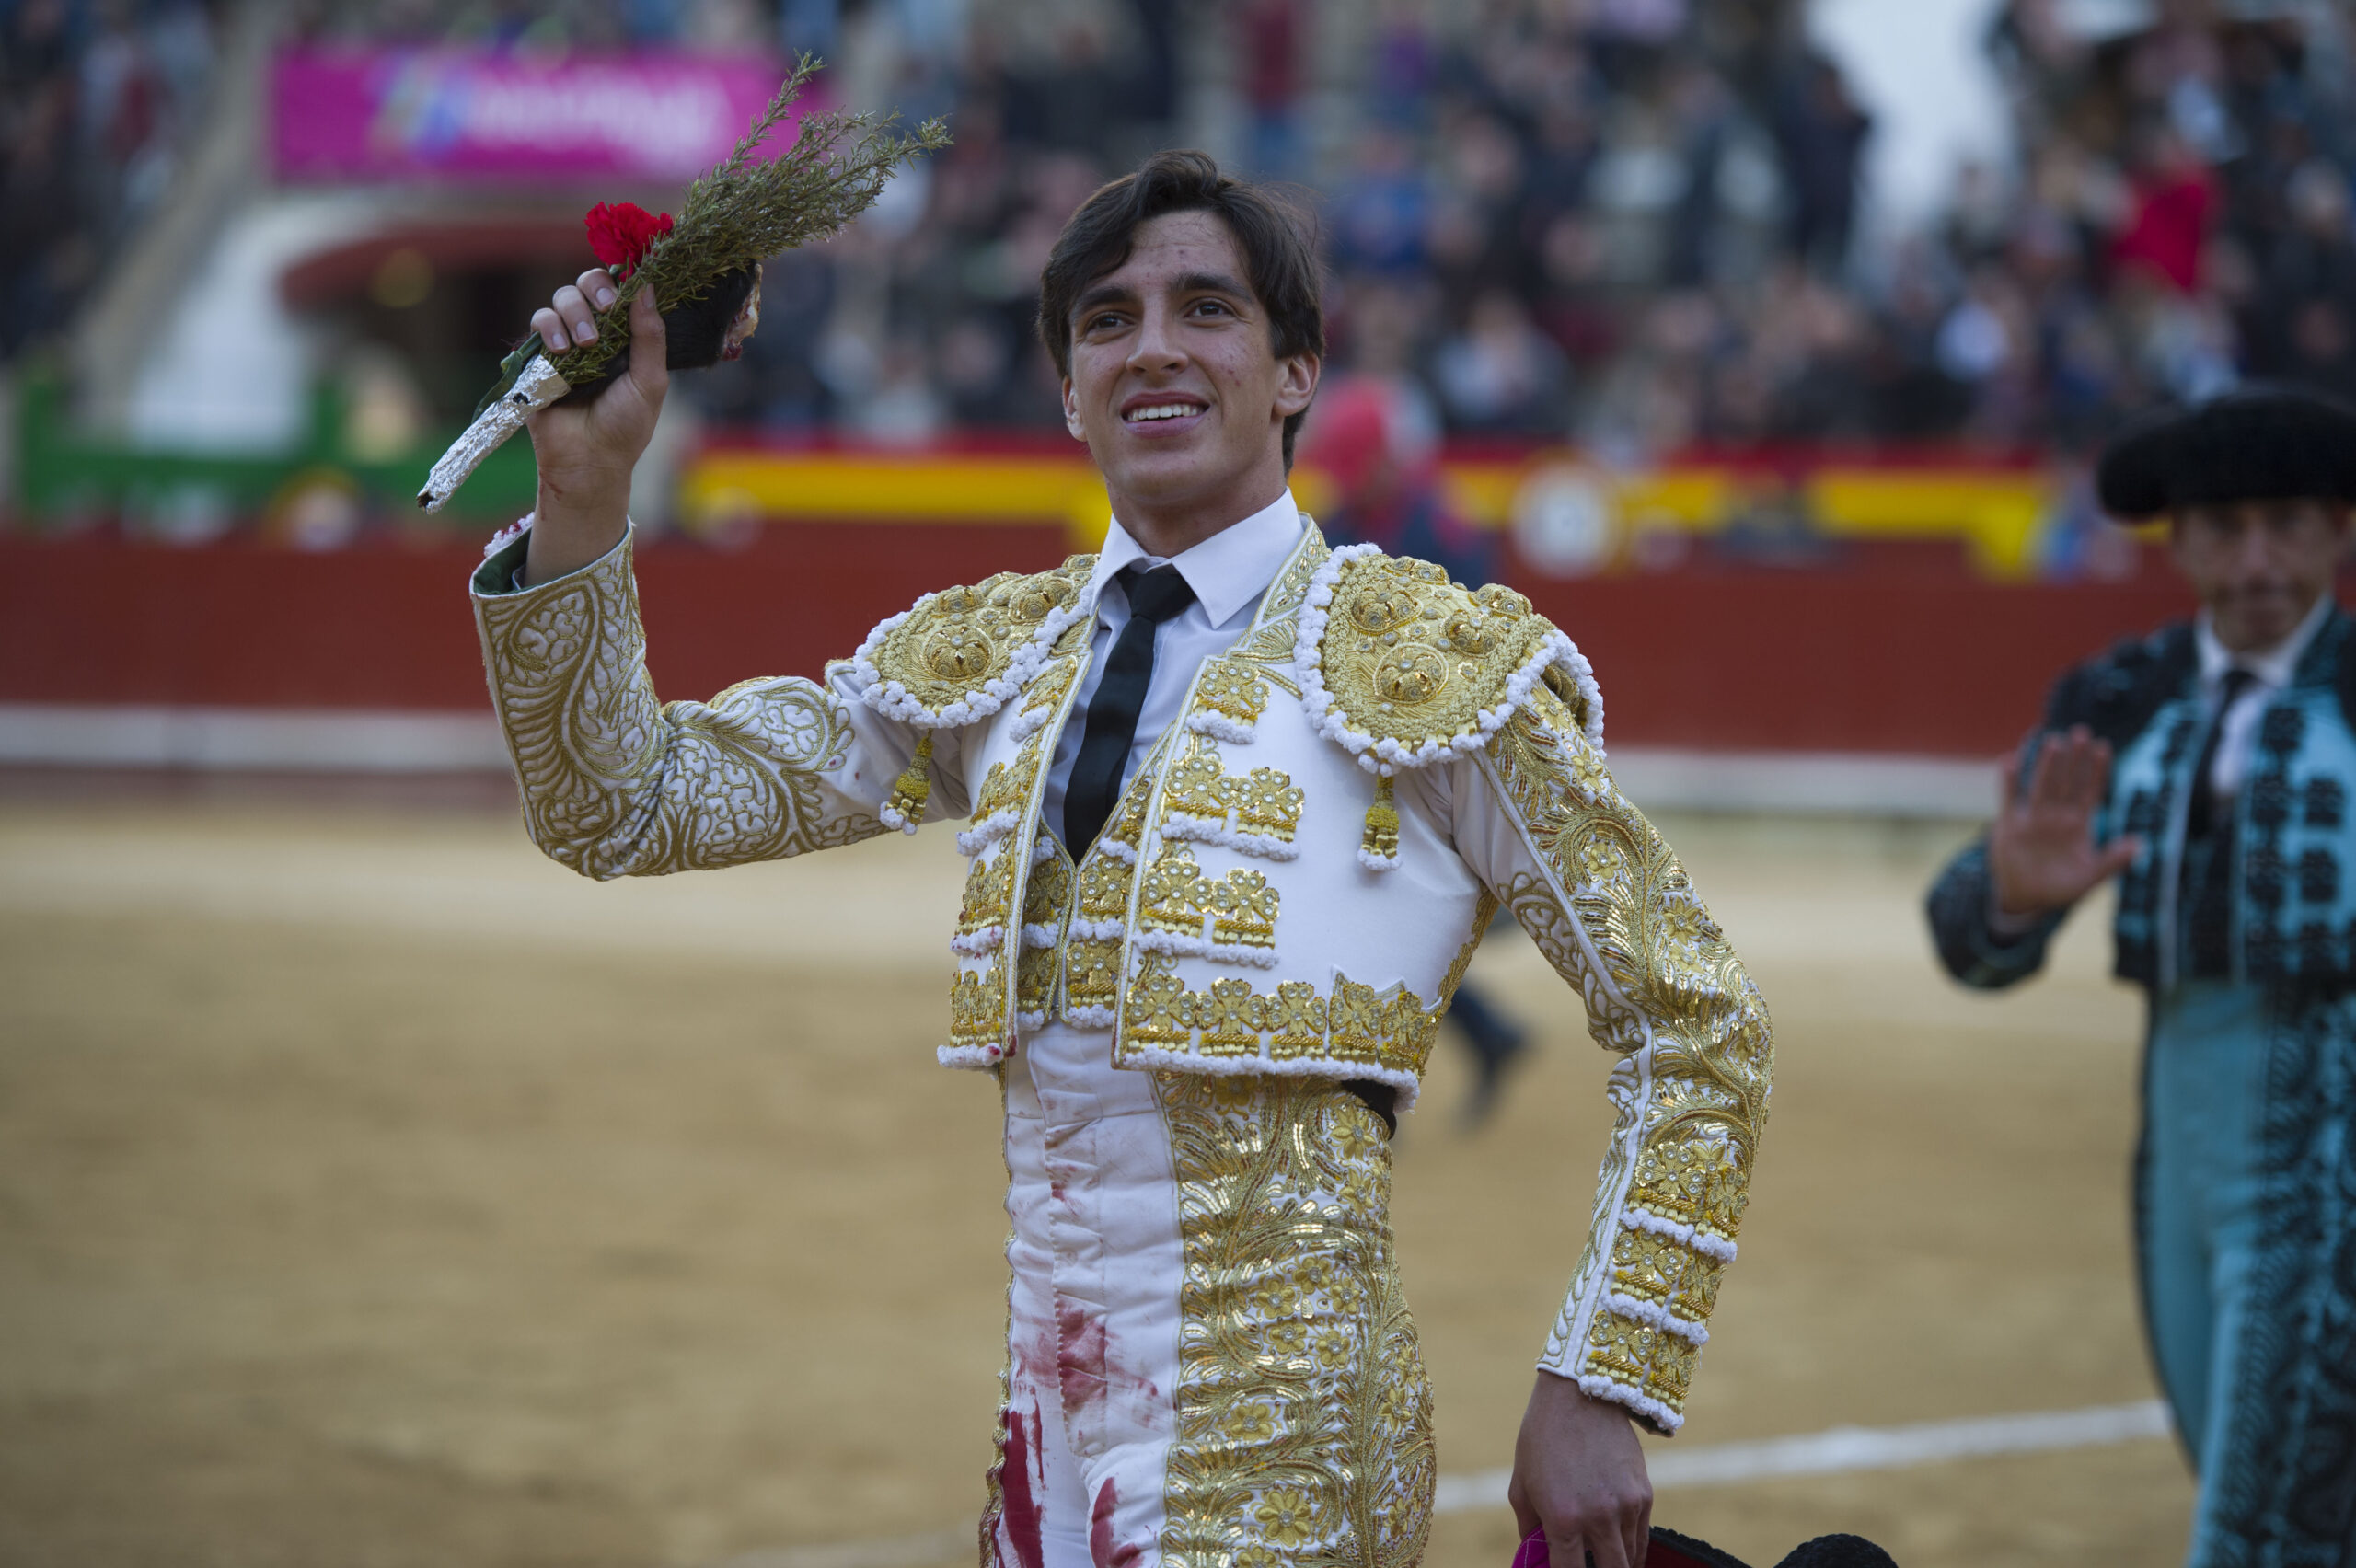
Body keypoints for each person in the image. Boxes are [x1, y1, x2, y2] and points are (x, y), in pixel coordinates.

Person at [473, 151, 1771, 1568]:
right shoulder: (999, 662)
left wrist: (1601, 1379)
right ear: (1067, 388)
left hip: (1285, 1459)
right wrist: (587, 495)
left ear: (1293, 373)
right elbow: (625, 805)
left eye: (1206, 309)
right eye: (1107, 321)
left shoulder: (1421, 663)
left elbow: (1695, 1017)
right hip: (1042, 1468)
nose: (1152, 345)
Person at [1925, 386, 2356, 1563]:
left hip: (2334, 1141)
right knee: (2246, 1468)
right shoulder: (2120, 698)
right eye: (2223, 528)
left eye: (2287, 523)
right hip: (2176, 1133)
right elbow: (1962, 936)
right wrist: (2011, 895)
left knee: (2261, 1523)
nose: (2257, 560)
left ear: (2339, 529)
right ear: (2179, 539)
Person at [1301, 374, 1533, 1124]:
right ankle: (1477, 1042)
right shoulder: (1342, 523)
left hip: (1422, 760)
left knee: (1370, 920)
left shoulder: (1444, 532)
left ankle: (1368, 1095)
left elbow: (1475, 654)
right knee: (1369, 919)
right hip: (1359, 758)